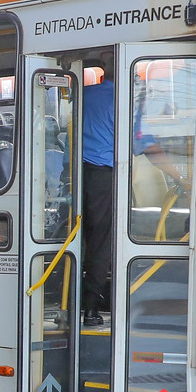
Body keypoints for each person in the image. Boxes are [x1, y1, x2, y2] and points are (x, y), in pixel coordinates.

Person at [79, 63, 116, 324]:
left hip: (74, 174)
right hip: (103, 176)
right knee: (100, 242)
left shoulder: (86, 94)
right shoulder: (122, 98)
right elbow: (143, 143)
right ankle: (90, 308)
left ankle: (71, 302)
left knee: (76, 239)